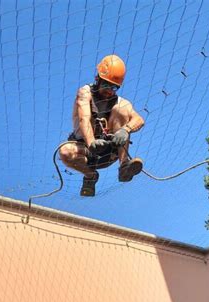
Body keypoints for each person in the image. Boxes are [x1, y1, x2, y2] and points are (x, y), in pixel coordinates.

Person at [59, 55, 145, 197]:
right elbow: (84, 119)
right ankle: (90, 176)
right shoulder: (85, 93)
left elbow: (139, 119)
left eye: (114, 87)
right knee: (65, 152)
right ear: (98, 79)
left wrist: (125, 129)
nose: (109, 90)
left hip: (108, 153)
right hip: (85, 151)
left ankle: (124, 166)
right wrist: (91, 142)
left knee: (122, 109)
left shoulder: (121, 102)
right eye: (106, 85)